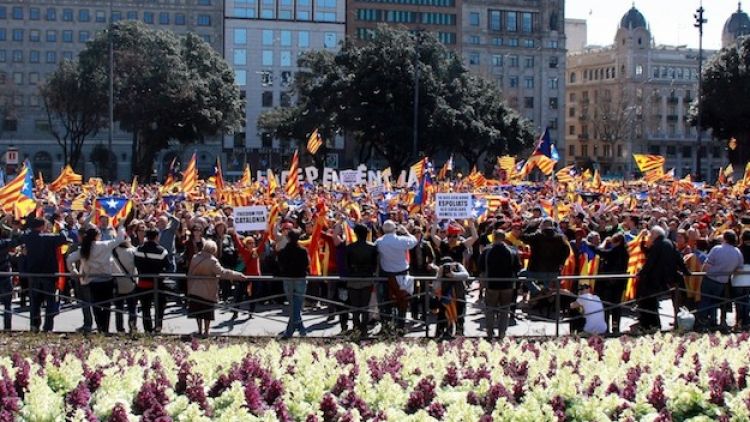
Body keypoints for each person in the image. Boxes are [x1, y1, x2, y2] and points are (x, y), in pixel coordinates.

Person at [66, 224, 127, 334]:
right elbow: (120, 239)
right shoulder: (105, 245)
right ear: (98, 236)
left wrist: (73, 271)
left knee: (96, 306)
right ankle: (105, 328)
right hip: (107, 280)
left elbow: (70, 259)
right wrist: (121, 226)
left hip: (92, 281)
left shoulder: (84, 248)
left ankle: (99, 327)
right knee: (107, 305)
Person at [186, 239, 249, 337]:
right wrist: (238, 275)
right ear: (214, 250)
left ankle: (199, 330)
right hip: (208, 290)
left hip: (195, 288)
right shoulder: (212, 261)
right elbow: (223, 273)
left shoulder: (195, 257)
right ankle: (206, 331)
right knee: (207, 312)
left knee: (197, 311)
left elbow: (190, 273)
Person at [637, 226, 690, 332]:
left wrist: (641, 273)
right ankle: (653, 324)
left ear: (655, 235)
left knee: (647, 301)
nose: (650, 237)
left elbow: (650, 261)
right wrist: (686, 271)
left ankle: (650, 325)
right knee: (650, 301)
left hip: (655, 278)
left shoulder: (658, 244)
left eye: (651, 235)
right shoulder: (669, 242)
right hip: (667, 277)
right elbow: (678, 257)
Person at [21, 218, 69, 332]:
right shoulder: (49, 238)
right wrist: (61, 227)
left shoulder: (27, 237)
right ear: (42, 226)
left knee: (35, 303)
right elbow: (64, 238)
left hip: (33, 274)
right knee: (50, 303)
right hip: (48, 275)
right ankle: (48, 328)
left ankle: (34, 326)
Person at [375, 220, 418, 336]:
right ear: (395, 229)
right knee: (402, 303)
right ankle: (400, 326)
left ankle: (387, 326)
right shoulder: (401, 240)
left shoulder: (379, 242)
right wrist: (406, 232)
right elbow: (414, 241)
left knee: (387, 303)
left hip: (388, 276)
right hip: (401, 275)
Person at [479, 230, 522, 340]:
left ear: (493, 237)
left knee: (490, 310)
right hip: (507, 285)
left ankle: (489, 334)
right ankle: (502, 334)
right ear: (504, 238)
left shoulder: (487, 251)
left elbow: (480, 266)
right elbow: (517, 268)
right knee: (504, 310)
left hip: (491, 284)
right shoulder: (512, 251)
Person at [698, 230, 743, 330]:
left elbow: (706, 265)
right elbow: (739, 268)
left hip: (710, 278)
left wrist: (702, 274)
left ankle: (703, 323)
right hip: (723, 281)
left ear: (725, 238)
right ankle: (714, 321)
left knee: (705, 301)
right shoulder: (737, 252)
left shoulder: (717, 249)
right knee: (715, 302)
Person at [344, 224, 378, 339]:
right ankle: (363, 329)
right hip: (367, 278)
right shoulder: (372, 247)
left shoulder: (349, 247)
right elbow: (375, 264)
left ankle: (356, 327)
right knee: (364, 306)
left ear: (356, 234)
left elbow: (346, 264)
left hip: (353, 278)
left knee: (355, 306)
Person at [134, 229, 169, 333]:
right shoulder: (162, 251)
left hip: (143, 282)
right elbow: (167, 266)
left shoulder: (139, 249)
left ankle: (147, 329)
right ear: (157, 237)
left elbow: (136, 264)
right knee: (160, 306)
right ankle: (158, 326)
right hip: (158, 283)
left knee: (145, 308)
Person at [522, 218, 570, 293]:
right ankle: (542, 294)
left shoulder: (537, 236)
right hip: (554, 271)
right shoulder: (560, 238)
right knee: (546, 289)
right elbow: (567, 251)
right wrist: (561, 263)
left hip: (536, 271)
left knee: (521, 275)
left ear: (542, 226)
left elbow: (523, 237)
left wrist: (530, 226)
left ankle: (537, 291)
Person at [593, 233, 629, 333]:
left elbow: (602, 252)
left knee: (607, 306)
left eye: (613, 242)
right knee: (617, 307)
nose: (612, 244)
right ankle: (615, 327)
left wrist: (595, 245)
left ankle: (606, 327)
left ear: (618, 242)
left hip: (610, 283)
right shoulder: (625, 252)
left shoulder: (616, 251)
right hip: (620, 284)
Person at [277, 229, 310, 338]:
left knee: (294, 306)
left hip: (288, 279)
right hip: (300, 278)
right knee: (297, 305)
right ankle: (300, 329)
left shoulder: (283, 251)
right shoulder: (303, 251)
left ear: (288, 238)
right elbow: (307, 264)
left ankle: (291, 331)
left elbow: (280, 265)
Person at [433, 256, 469, 340]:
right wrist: (439, 274)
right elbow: (435, 286)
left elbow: (466, 275)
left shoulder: (458, 266)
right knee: (442, 318)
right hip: (445, 299)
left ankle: (459, 335)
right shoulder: (441, 271)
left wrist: (453, 274)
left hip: (458, 297)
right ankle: (442, 334)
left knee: (460, 318)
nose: (447, 267)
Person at [112, 238, 138, 333]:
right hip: (131, 282)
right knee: (132, 307)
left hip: (118, 283)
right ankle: (132, 326)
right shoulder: (133, 251)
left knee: (119, 308)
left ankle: (120, 328)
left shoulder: (113, 251)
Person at [732, 230, 750, 330]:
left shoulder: (738, 249)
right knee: (746, 300)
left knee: (738, 302)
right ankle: (746, 321)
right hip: (749, 279)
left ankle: (738, 321)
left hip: (738, 278)